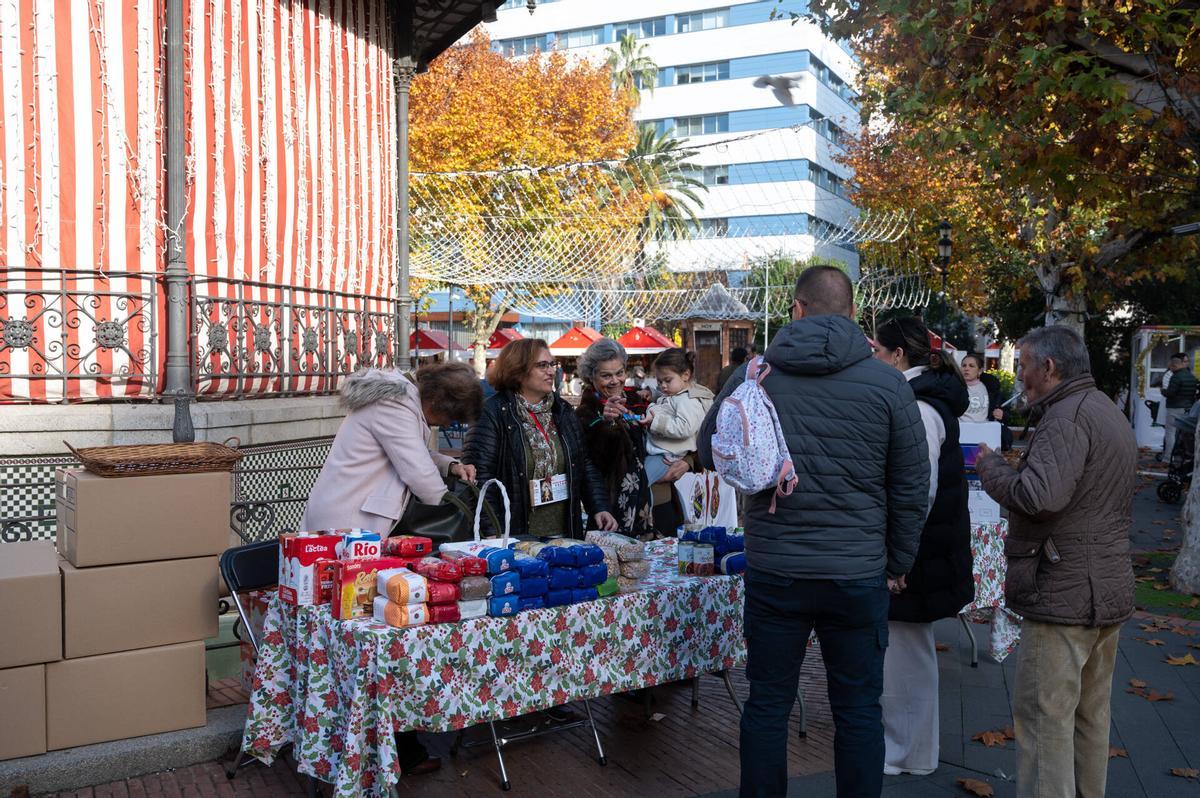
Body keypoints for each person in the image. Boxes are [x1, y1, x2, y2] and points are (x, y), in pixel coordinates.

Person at [699, 265, 929, 798]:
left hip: (776, 571)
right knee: (857, 711)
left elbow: (714, 444)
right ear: (853, 314)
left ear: (796, 308)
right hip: (856, 574)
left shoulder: (755, 375)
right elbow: (912, 488)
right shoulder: (889, 385)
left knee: (768, 704)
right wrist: (896, 562)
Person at [974, 325, 1136, 798]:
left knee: (1046, 724)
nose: (1018, 374)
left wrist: (992, 467)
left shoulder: (1067, 417)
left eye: (1022, 364)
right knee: (1089, 719)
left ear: (1048, 367)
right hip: (1101, 588)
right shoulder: (1103, 408)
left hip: (1064, 591)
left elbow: (1038, 497)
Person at [301, 362, 482, 777]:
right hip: (351, 528)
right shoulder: (398, 403)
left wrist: (451, 466)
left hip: (353, 522)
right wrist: (454, 503)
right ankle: (380, 742)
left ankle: (377, 737)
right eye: (452, 417)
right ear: (438, 401)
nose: (448, 424)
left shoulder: (399, 399)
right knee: (366, 629)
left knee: (361, 627)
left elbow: (415, 451)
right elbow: (416, 471)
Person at [872, 317, 974, 777]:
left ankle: (906, 751)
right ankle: (909, 749)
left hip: (918, 550)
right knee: (907, 654)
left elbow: (920, 489)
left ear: (897, 355)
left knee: (905, 656)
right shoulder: (924, 399)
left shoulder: (920, 405)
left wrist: (901, 556)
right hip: (924, 547)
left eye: (878, 349)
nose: (872, 357)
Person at [463, 338, 617, 538]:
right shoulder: (492, 412)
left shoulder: (562, 410)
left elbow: (583, 463)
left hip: (564, 534)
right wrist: (492, 530)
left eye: (552, 364)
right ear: (518, 370)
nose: (551, 371)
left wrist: (599, 507)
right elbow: (479, 478)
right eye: (542, 365)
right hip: (514, 537)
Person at [575, 338, 692, 536]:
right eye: (606, 375)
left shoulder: (637, 399)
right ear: (591, 377)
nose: (615, 381)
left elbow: (681, 432)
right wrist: (607, 424)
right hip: (616, 515)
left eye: (619, 373)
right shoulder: (585, 414)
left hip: (661, 503)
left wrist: (688, 462)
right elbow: (594, 464)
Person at [640, 348, 714, 485]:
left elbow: (685, 427)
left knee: (642, 482)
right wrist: (654, 395)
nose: (663, 386)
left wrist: (655, 422)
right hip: (660, 448)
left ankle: (643, 506)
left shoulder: (688, 400)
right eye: (659, 382)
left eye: (667, 380)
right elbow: (669, 403)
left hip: (664, 454)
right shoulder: (677, 394)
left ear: (685, 375)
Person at [961, 352, 1012, 450]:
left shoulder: (990, 388)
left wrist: (1002, 414)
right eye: (964, 365)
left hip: (984, 434)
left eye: (971, 366)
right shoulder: (954, 387)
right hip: (962, 433)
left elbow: (1007, 414)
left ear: (979, 371)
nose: (966, 368)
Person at [1163, 353, 1198, 460]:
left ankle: (1168, 457)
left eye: (1171, 366)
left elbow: (1171, 393)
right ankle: (1187, 455)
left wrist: (1163, 391)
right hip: (1188, 407)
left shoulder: (1175, 377)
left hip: (1175, 407)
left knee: (1170, 433)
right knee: (1185, 433)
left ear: (1174, 366)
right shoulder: (1191, 376)